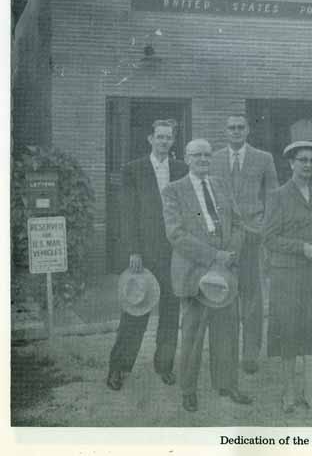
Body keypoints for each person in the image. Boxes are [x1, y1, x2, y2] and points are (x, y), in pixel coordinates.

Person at [162, 138, 250, 412]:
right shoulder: (173, 191)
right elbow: (176, 234)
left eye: (207, 155)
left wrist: (230, 252)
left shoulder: (221, 185)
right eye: (197, 155)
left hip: (225, 271)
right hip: (194, 272)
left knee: (227, 330)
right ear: (186, 159)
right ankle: (188, 390)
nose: (203, 160)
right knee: (192, 335)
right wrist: (213, 256)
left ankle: (227, 384)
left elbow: (238, 222)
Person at [106, 119, 187, 392]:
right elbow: (126, 214)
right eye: (160, 137)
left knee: (171, 313)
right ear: (150, 139)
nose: (164, 141)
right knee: (135, 310)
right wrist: (133, 250)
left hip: (174, 254)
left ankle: (164, 365)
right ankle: (118, 367)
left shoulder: (181, 169)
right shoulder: (133, 170)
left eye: (169, 137)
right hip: (144, 254)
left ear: (173, 141)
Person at [262, 141, 312, 414]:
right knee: (289, 333)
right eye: (302, 160)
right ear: (291, 163)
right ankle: (289, 392)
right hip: (287, 275)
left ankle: (310, 392)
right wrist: (303, 248)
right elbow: (269, 237)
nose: (308, 165)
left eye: (311, 161)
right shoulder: (278, 195)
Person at [211, 113, 278, 374]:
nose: (236, 131)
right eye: (232, 128)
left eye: (241, 127)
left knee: (251, 296)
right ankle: (225, 353)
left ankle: (250, 354)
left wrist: (264, 228)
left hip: (252, 236)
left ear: (247, 130)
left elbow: (274, 197)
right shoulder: (213, 159)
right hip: (223, 238)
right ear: (225, 131)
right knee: (223, 293)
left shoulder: (264, 158)